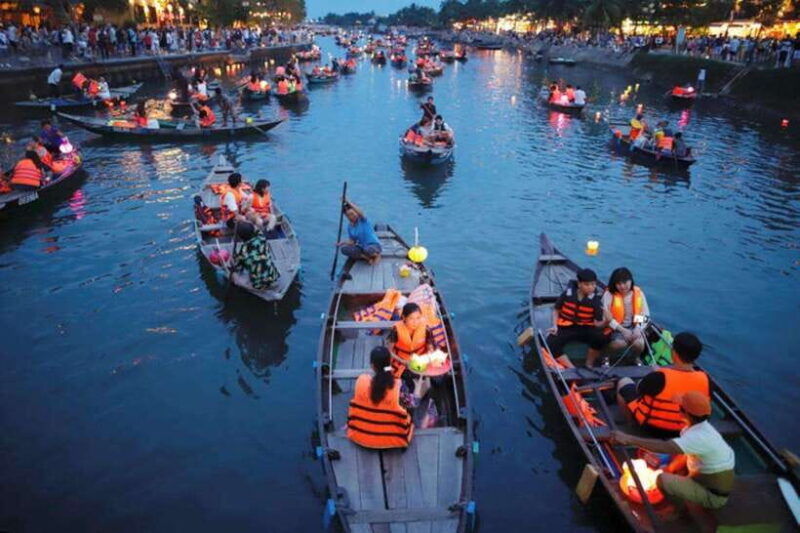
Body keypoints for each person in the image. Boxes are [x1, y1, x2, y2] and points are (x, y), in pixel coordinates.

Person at [611, 391, 734, 510]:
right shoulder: (699, 428)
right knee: (672, 466)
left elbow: (664, 447)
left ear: (687, 413)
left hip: (712, 494)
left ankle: (676, 510)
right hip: (702, 477)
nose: (677, 408)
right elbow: (685, 453)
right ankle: (679, 485)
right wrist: (670, 468)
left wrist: (627, 439)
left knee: (662, 480)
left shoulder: (698, 437)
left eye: (680, 407)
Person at [616, 332, 709, 438]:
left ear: (674, 353)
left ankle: (631, 425)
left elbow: (639, 389)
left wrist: (655, 374)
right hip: (684, 430)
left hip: (652, 428)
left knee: (624, 381)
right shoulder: (705, 379)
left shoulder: (660, 376)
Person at [347, 346, 414, 449]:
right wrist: (420, 390)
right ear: (390, 362)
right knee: (410, 403)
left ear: (372, 366)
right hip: (394, 439)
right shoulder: (399, 386)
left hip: (360, 437)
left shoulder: (361, 381)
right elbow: (411, 405)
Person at [545, 268, 608, 368]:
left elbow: (597, 324)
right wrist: (554, 325)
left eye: (593, 284)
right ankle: (571, 368)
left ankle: (589, 364)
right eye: (587, 284)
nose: (591, 287)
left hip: (586, 328)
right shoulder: (567, 294)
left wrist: (607, 321)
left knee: (600, 338)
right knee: (550, 342)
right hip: (566, 327)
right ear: (579, 284)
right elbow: (556, 310)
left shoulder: (596, 301)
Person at [602, 267, 650, 360]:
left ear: (631, 281)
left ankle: (635, 358)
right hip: (615, 328)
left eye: (625, 282)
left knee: (639, 344)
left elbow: (645, 314)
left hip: (634, 326)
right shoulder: (609, 294)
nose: (623, 286)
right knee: (619, 343)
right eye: (619, 284)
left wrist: (638, 328)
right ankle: (605, 356)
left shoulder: (638, 293)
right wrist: (623, 330)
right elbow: (605, 317)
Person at [387, 302, 435, 378]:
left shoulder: (426, 328)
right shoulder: (396, 330)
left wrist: (428, 357)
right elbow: (389, 351)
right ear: (404, 318)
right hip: (400, 360)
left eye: (418, 318)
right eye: (411, 318)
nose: (415, 322)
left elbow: (430, 348)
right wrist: (403, 362)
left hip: (420, 359)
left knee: (433, 374)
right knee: (385, 370)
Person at [230, 222, 279, 290]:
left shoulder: (243, 251)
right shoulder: (262, 238)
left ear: (240, 237)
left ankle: (254, 286)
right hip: (273, 277)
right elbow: (257, 229)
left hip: (258, 285)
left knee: (234, 275)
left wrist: (232, 260)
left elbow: (237, 267)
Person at [337, 199, 382, 264]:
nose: (352, 216)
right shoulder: (350, 227)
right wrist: (343, 242)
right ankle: (367, 258)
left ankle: (377, 255)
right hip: (362, 247)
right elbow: (352, 242)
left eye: (353, 213)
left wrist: (348, 202)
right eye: (349, 215)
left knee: (367, 249)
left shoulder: (363, 221)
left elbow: (361, 213)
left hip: (374, 246)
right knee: (344, 250)